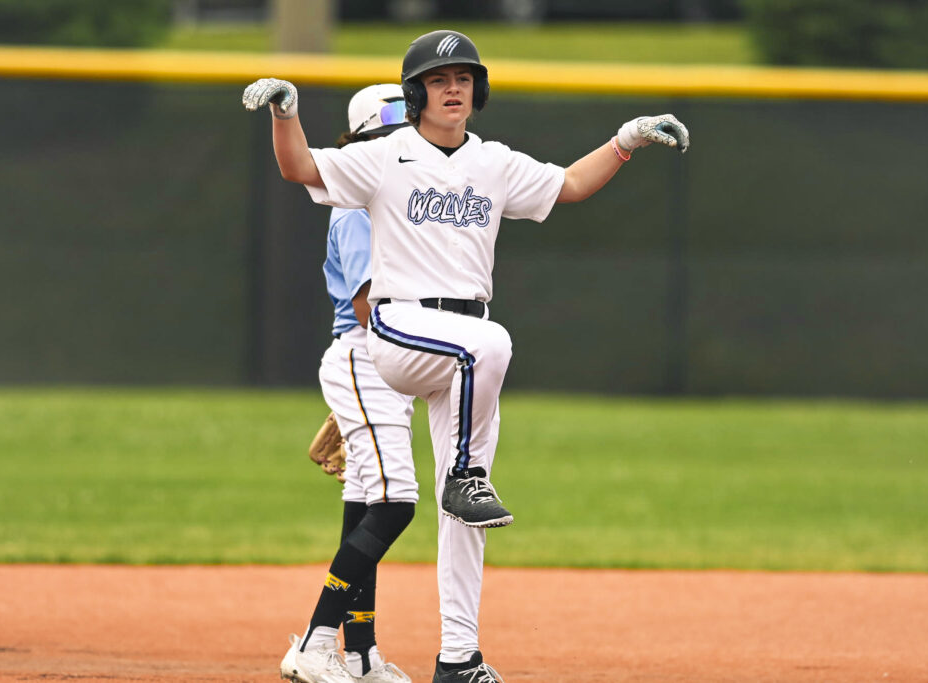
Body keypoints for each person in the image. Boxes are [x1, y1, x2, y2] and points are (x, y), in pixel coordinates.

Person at [244, 29, 690, 682]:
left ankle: (458, 656)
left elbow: (568, 185)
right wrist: (286, 114)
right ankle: (458, 480)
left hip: (463, 347)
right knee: (493, 344)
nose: (452, 88)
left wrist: (625, 141)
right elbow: (300, 168)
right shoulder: (385, 155)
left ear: (477, 91)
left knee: (466, 513)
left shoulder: (494, 163)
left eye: (463, 78)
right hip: (401, 326)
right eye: (438, 79)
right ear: (415, 94)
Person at [279, 84, 416, 683]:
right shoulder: (358, 205)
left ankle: (360, 654)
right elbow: (368, 307)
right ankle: (314, 643)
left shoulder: (393, 201)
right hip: (370, 356)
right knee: (395, 503)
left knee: (364, 505)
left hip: (387, 364)